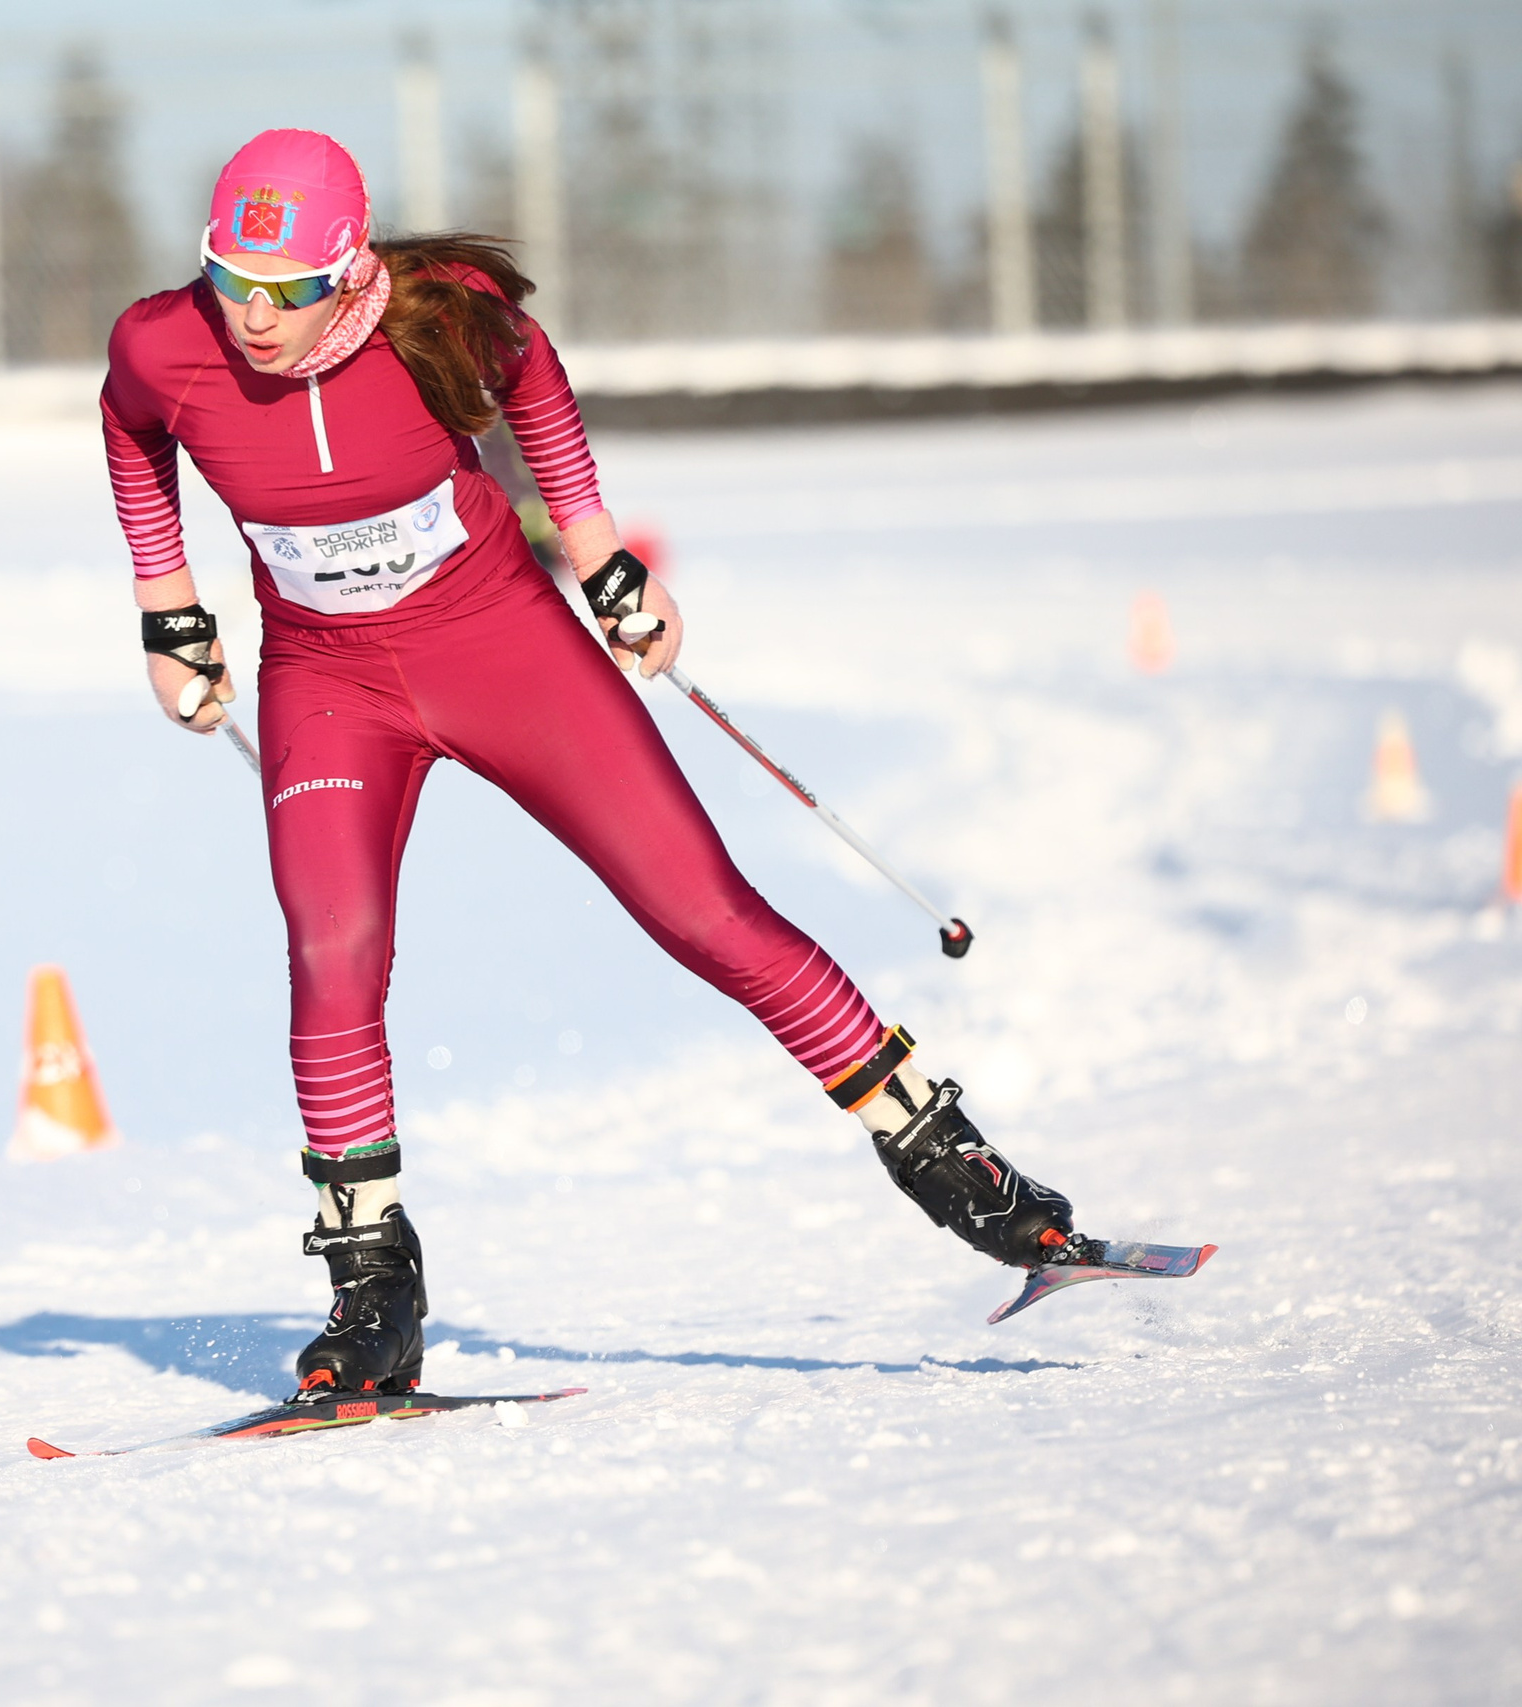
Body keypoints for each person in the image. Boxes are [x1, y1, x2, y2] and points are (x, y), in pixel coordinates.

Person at [101, 130, 1077, 1397]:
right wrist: (168, 609)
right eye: (229, 278)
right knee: (330, 951)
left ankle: (965, 1175)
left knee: (703, 912)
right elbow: (133, 433)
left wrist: (601, 553)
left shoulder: (448, 321)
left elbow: (540, 393)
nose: (250, 316)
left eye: (285, 289)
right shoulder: (162, 342)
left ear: (349, 273)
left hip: (497, 647)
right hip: (327, 682)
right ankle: (371, 1294)